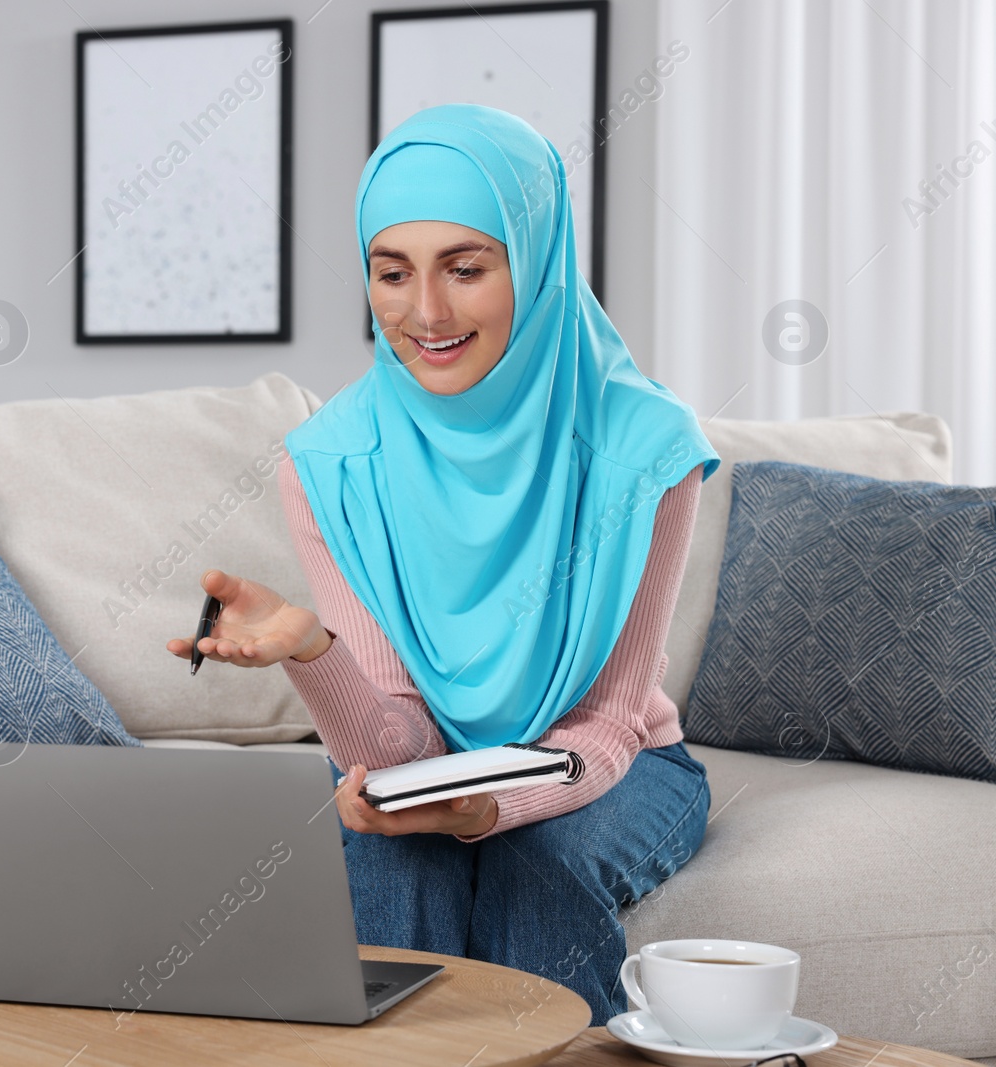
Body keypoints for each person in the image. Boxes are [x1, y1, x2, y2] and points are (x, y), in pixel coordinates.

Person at [166, 103, 723, 1023]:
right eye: (392, 273)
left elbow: (614, 724)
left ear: (536, 262)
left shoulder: (645, 449)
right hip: (427, 765)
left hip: (616, 761)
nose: (424, 313)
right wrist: (314, 649)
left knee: (534, 862)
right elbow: (399, 749)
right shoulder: (331, 461)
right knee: (389, 853)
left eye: (466, 268)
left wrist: (484, 809)